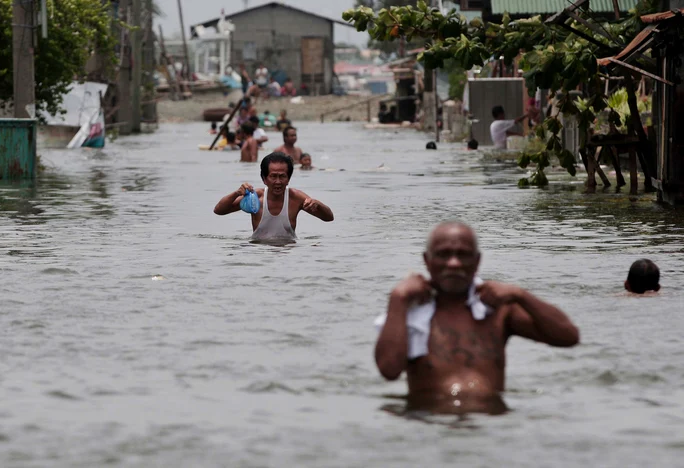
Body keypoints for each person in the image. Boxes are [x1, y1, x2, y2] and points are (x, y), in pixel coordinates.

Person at [375, 222, 579, 414]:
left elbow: (568, 337)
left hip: (488, 426)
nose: (453, 263)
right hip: (430, 424)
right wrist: (398, 299)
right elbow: (389, 370)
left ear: (477, 260)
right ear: (427, 261)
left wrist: (521, 295)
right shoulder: (412, 311)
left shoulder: (496, 311)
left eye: (463, 255)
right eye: (443, 254)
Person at [213, 152, 334, 241]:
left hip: (289, 254)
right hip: (260, 253)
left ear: (289, 179)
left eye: (282, 176)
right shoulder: (255, 198)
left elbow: (328, 218)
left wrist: (317, 204)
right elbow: (219, 210)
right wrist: (236, 193)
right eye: (273, 176)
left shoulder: (296, 197)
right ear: (264, 179)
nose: (278, 182)